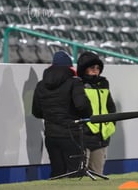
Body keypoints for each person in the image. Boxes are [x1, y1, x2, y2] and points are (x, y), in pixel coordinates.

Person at [32, 50, 93, 178]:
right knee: (75, 174)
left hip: (51, 136)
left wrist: (52, 116)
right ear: (70, 67)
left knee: (57, 174)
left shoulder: (41, 85)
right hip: (71, 135)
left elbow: (36, 112)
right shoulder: (74, 82)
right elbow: (82, 105)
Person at [77, 51, 116, 175]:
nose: (95, 70)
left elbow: (111, 108)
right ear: (84, 69)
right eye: (92, 67)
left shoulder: (104, 84)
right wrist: (84, 127)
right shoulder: (78, 84)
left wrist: (110, 126)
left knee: (97, 175)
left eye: (98, 68)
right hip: (84, 136)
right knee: (80, 175)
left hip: (101, 137)